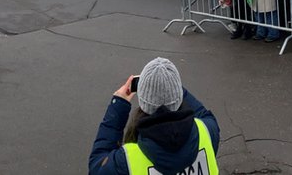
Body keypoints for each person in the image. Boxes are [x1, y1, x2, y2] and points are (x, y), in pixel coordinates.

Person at [89, 57, 219, 175]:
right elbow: (204, 113)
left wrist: (118, 105)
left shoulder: (126, 161)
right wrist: (172, 88)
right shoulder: (207, 131)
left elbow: (96, 167)